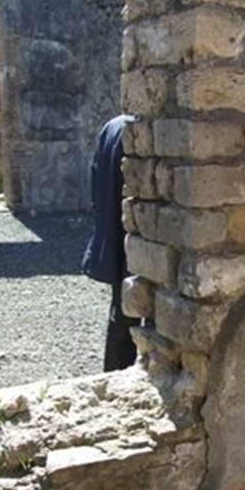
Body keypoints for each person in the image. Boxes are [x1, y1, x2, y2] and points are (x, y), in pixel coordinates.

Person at [82, 114, 138, 371]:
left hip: (113, 234)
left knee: (121, 313)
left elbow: (95, 183)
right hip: (132, 237)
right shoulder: (136, 130)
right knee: (131, 316)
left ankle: (114, 374)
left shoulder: (111, 127)